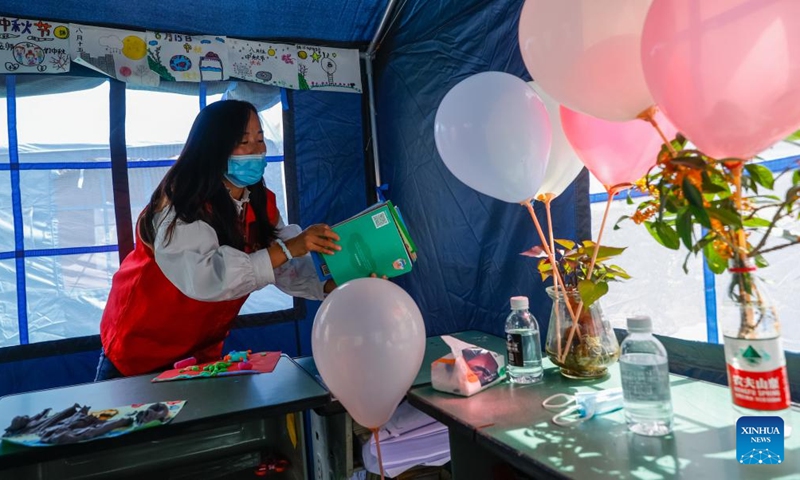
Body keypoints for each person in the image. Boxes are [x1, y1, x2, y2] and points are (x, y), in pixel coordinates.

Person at [96, 100, 340, 380]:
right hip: (139, 352)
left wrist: (333, 286)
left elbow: (283, 267)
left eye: (260, 139)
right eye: (243, 141)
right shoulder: (180, 205)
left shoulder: (260, 202)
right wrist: (290, 247)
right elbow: (209, 277)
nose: (257, 150)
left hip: (200, 353)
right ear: (213, 147)